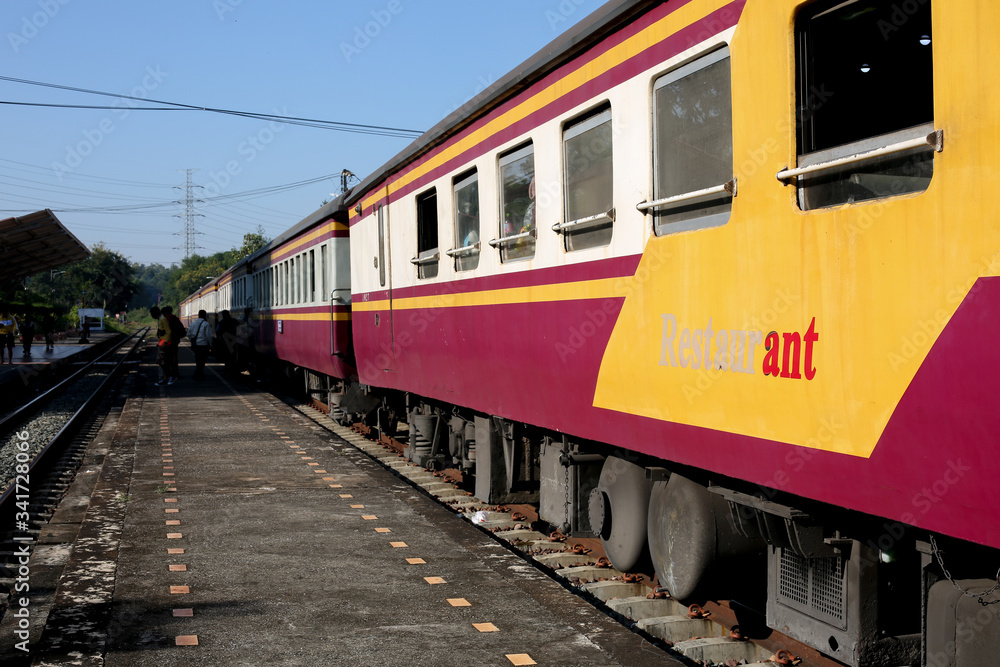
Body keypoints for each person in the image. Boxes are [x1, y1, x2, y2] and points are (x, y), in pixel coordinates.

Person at [187, 309, 213, 381]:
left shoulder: (193, 323)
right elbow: (209, 336)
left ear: (198, 315)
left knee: (198, 360)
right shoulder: (206, 324)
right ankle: (199, 374)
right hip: (204, 345)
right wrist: (210, 345)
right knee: (203, 360)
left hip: (196, 345)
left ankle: (198, 374)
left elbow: (188, 333)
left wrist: (192, 340)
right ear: (205, 315)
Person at [161, 306, 183, 385]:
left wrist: (161, 344)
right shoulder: (176, 319)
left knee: (166, 360)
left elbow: (161, 333)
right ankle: (175, 374)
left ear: (165, 313)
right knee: (174, 358)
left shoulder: (164, 320)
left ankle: (167, 376)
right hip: (174, 342)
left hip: (166, 343)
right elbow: (182, 330)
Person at [215, 310, 239, 377]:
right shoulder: (234, 321)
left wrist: (219, 339)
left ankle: (227, 370)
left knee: (226, 356)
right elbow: (240, 327)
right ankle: (233, 370)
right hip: (233, 340)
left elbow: (217, 331)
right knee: (233, 356)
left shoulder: (221, 323)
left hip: (224, 341)